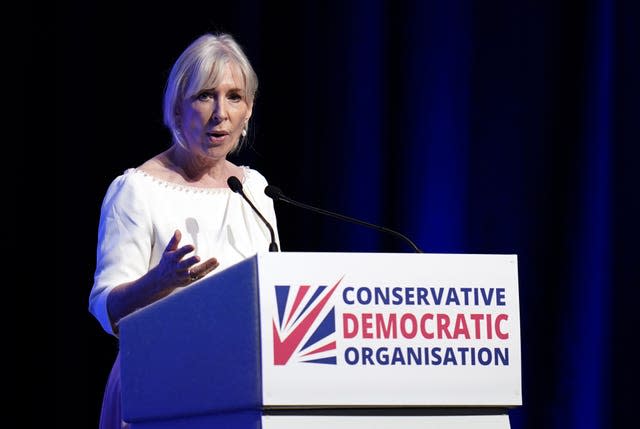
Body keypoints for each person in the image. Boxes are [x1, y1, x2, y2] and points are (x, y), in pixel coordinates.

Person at [88, 32, 279, 429]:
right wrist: (159, 281)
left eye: (234, 97)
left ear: (249, 110)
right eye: (205, 95)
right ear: (177, 107)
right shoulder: (137, 190)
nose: (220, 113)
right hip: (158, 386)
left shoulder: (255, 192)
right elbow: (105, 308)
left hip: (242, 389)